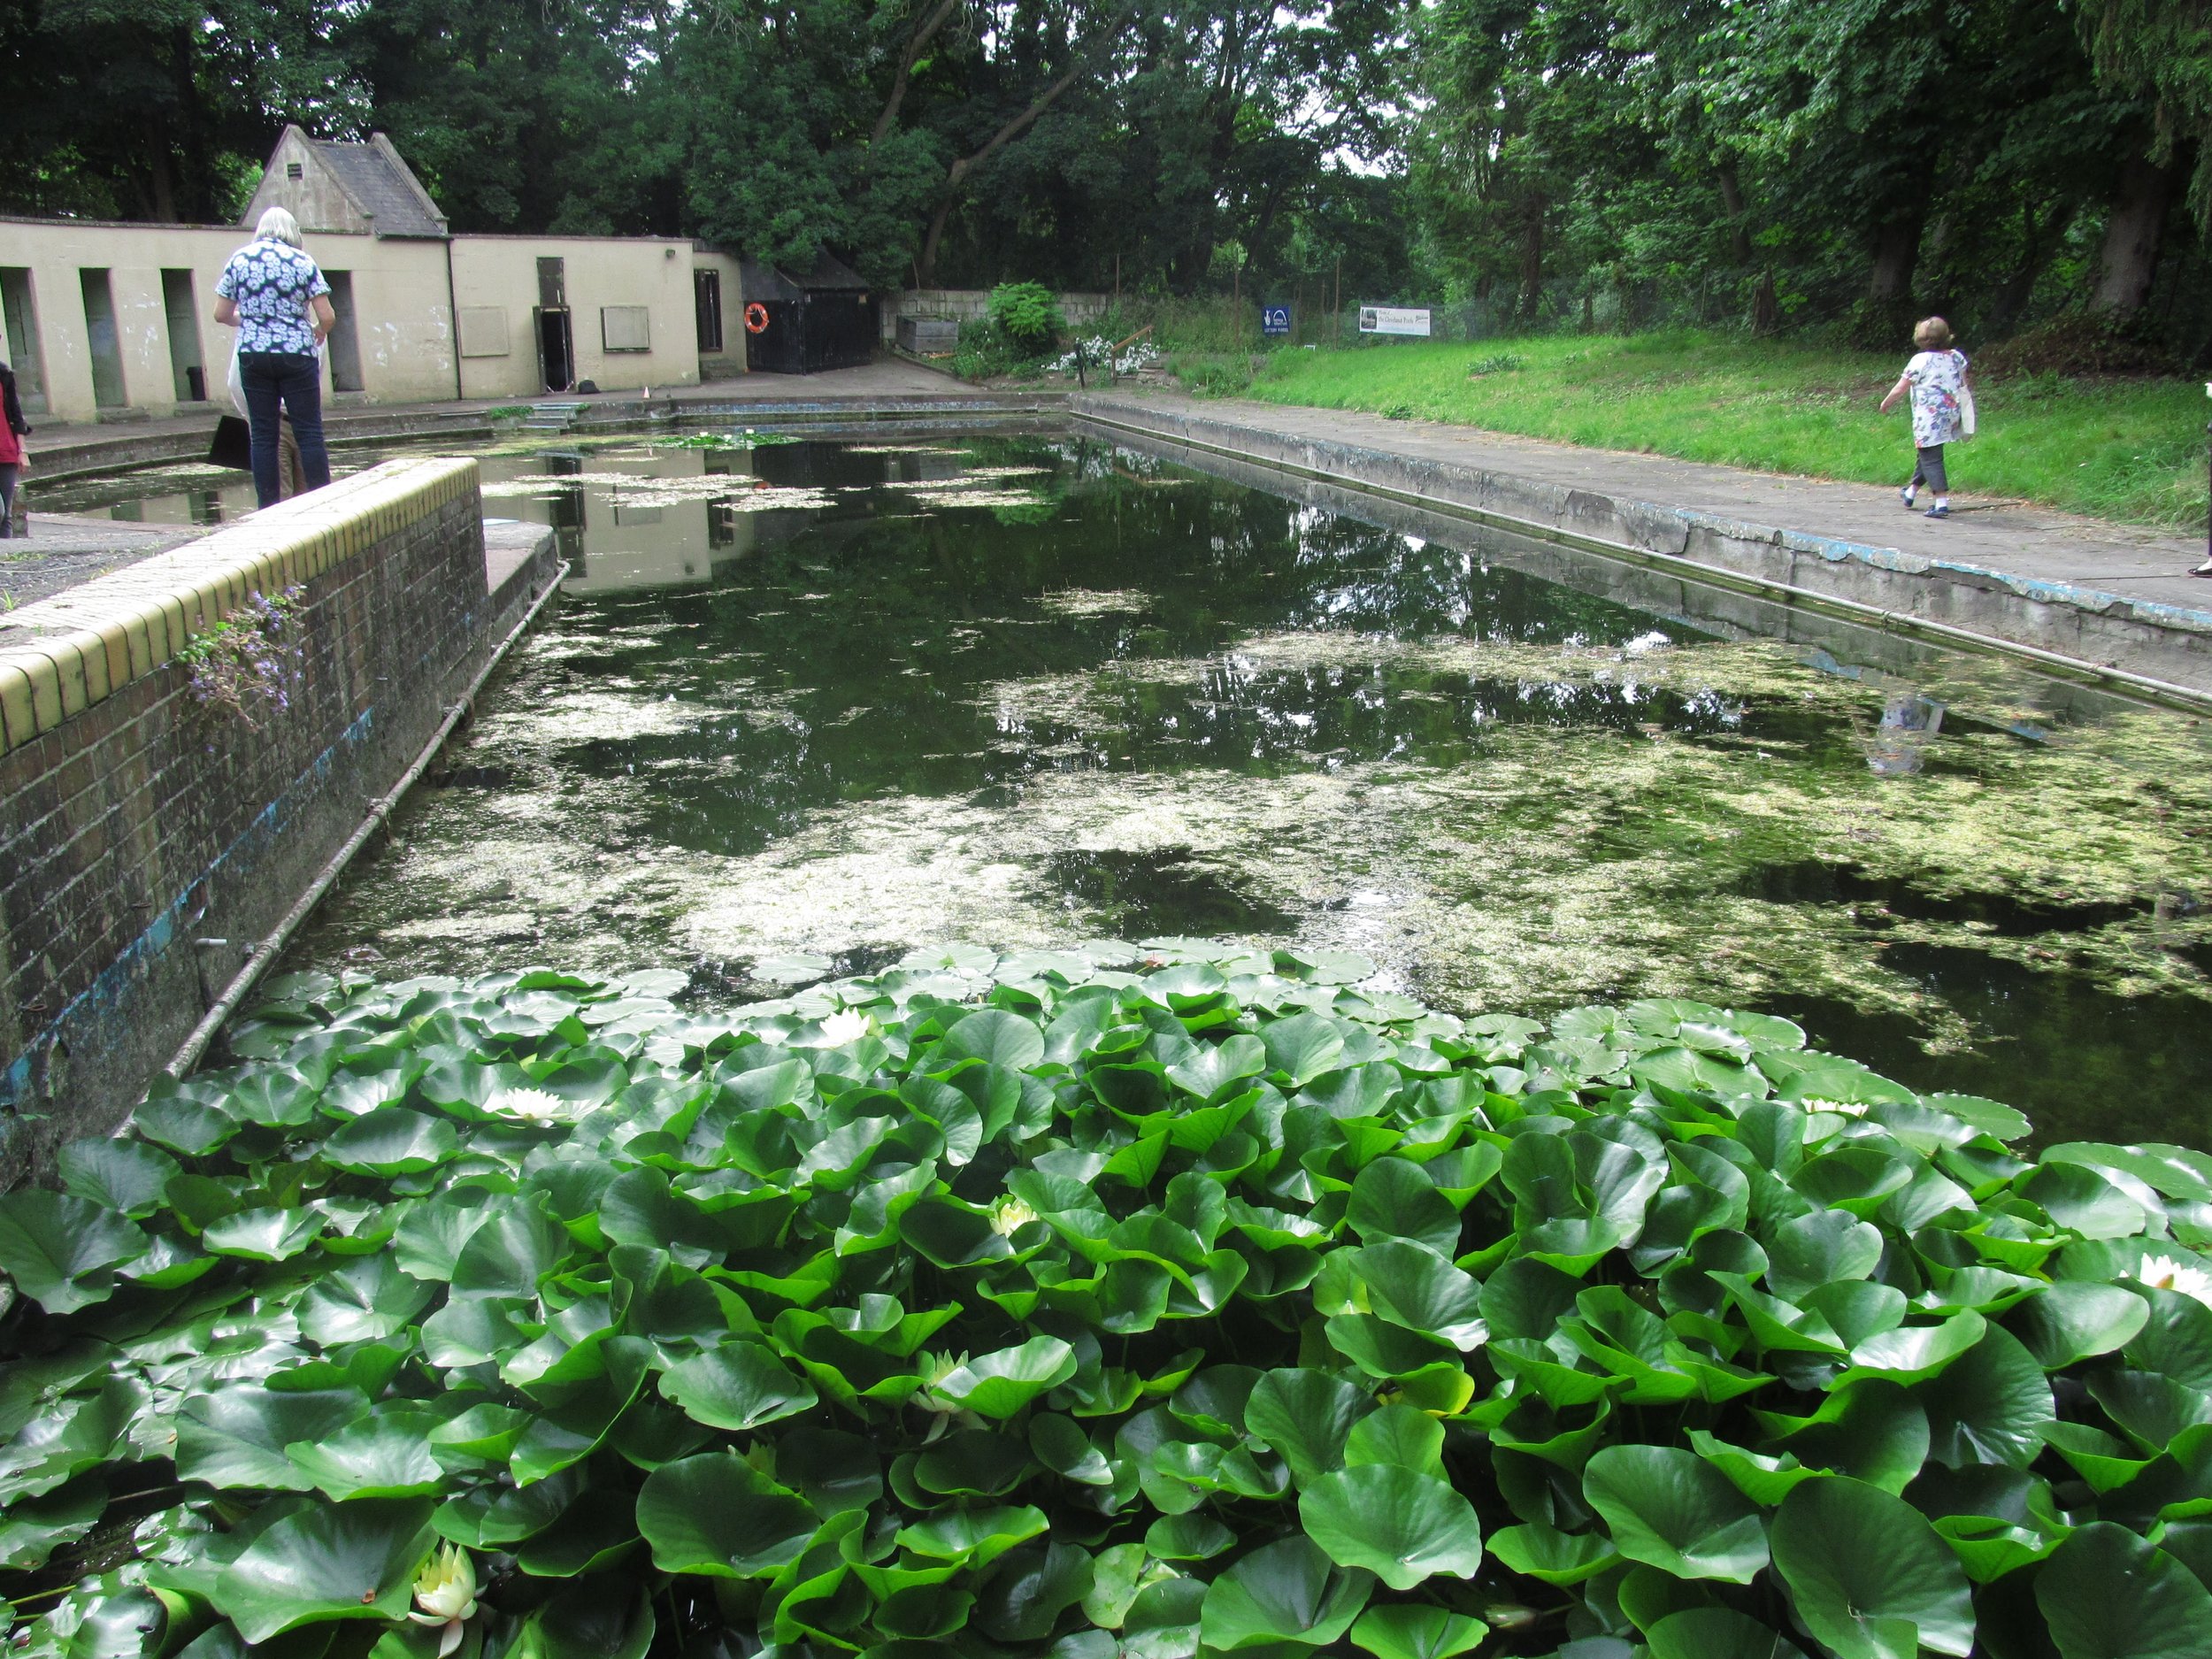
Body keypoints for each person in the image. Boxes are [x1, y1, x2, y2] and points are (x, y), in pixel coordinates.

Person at [213, 206, 335, 510]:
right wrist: (319, 331)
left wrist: (247, 320)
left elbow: (220, 314)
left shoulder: (240, 259)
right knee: (309, 432)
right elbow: (327, 316)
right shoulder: (302, 261)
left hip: (254, 354)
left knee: (263, 435)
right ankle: (325, 503)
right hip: (296, 354)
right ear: (293, 232)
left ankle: (266, 507)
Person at [1878, 317, 1970, 519]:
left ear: (1920, 339)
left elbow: (1901, 387)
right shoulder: (1956, 357)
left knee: (1931, 457)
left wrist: (1886, 402)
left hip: (1929, 418)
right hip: (1951, 413)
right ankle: (1910, 493)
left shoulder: (1920, 361)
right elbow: (1964, 383)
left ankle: (1941, 503)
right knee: (1927, 452)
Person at [0, 357, 27, 538]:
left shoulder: (4, 373)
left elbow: (16, 414)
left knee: (6, 516)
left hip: (6, 449)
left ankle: (6, 553)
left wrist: (22, 451)